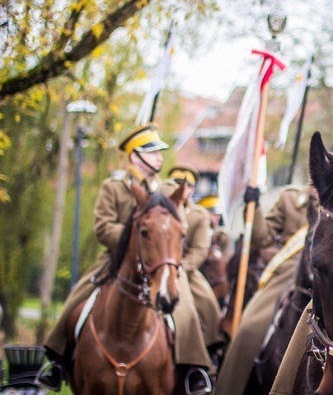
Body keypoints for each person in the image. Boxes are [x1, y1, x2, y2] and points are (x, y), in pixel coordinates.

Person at [38, 124, 214, 393]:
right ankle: (57, 359)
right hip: (116, 261)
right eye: (152, 152)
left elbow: (179, 226)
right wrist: (132, 240)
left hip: (157, 262)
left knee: (185, 305)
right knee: (78, 299)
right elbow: (102, 227)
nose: (159, 158)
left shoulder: (168, 190)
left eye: (159, 153)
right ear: (135, 156)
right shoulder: (114, 187)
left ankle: (194, 368)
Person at [215, 184, 317, 395]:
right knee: (250, 327)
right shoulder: (290, 199)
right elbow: (263, 238)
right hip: (291, 268)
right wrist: (254, 207)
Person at [167, 167, 226, 358]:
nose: (182, 188)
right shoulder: (159, 207)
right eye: (177, 184)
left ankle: (208, 354)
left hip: (184, 268)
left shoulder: (198, 214)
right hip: (158, 264)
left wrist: (181, 267)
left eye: (188, 185)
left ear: (192, 190)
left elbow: (200, 249)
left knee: (208, 305)